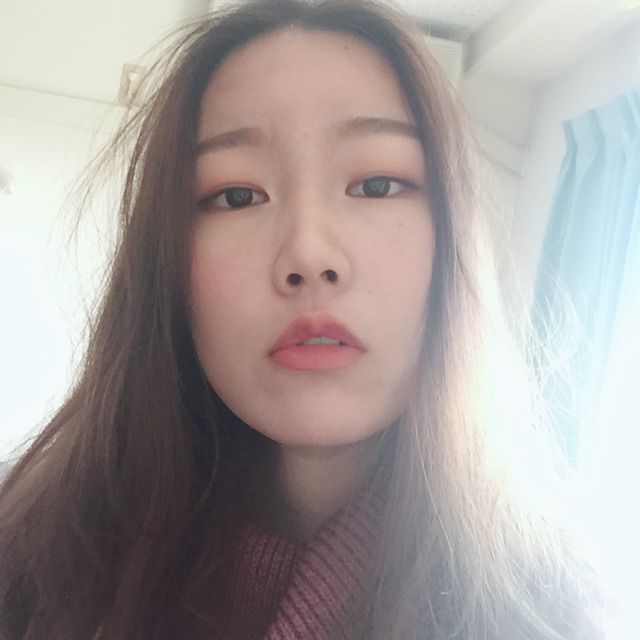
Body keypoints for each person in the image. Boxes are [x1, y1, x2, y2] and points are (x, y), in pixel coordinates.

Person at [0, 1, 604, 638]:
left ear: (454, 240)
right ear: (165, 264)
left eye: (377, 185)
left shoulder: (559, 616)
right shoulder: (28, 573)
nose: (310, 256)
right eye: (237, 196)